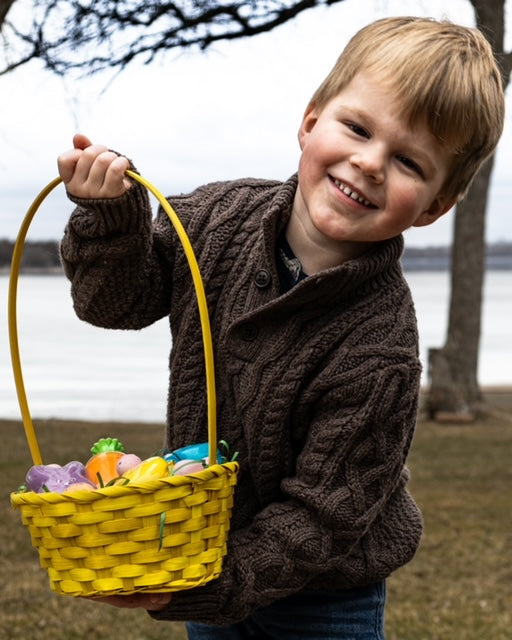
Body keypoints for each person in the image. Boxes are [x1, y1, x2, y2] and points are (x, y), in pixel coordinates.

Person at [57, 16, 504, 640]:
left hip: (325, 597)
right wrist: (110, 221)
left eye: (407, 161)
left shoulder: (380, 351)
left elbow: (325, 514)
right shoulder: (214, 219)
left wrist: (208, 584)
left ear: (433, 206)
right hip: (211, 547)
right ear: (311, 119)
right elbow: (115, 304)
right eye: (357, 128)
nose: (369, 162)